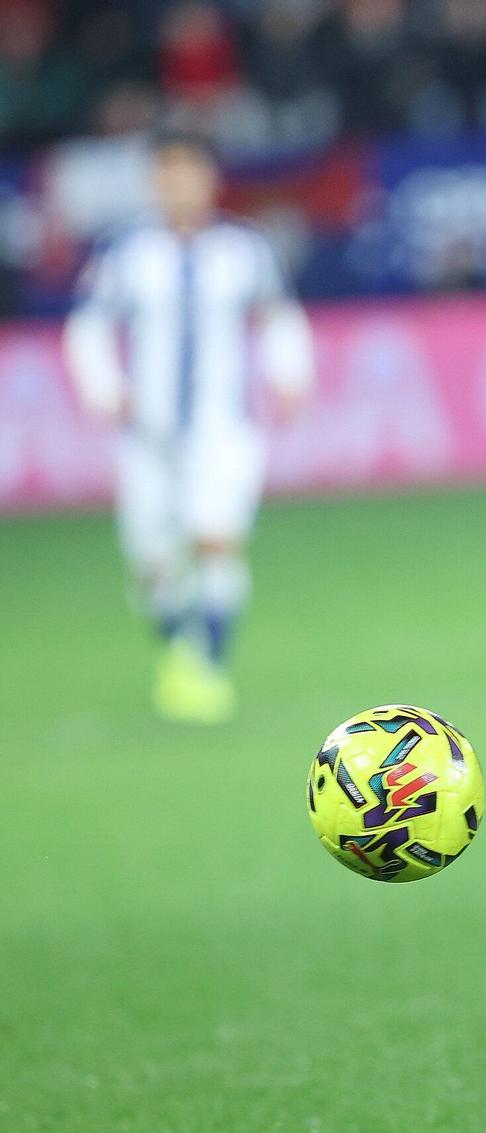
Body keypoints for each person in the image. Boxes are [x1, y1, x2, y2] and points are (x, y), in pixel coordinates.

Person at [62, 129, 314, 723]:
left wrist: (289, 374)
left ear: (209, 180)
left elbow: (277, 316)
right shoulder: (127, 252)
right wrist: (104, 386)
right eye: (167, 176)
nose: (178, 187)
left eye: (189, 174)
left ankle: (211, 669)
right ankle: (179, 651)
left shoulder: (244, 249)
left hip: (222, 427)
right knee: (153, 564)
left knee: (215, 538)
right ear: (155, 184)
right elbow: (89, 326)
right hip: (147, 434)